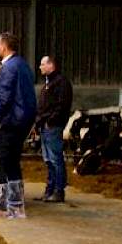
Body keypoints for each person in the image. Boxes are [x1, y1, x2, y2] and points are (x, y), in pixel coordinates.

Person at [0, 32, 37, 219]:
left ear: (4, 46)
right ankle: (16, 206)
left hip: (10, 121)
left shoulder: (8, 67)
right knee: (12, 162)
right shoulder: (23, 65)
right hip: (23, 121)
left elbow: (4, 97)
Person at [35, 55, 73, 202]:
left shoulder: (61, 82)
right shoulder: (48, 83)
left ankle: (58, 191)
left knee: (55, 158)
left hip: (53, 126)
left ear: (51, 65)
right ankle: (49, 190)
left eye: (42, 64)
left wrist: (51, 121)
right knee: (48, 159)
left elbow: (62, 105)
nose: (40, 67)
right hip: (45, 126)